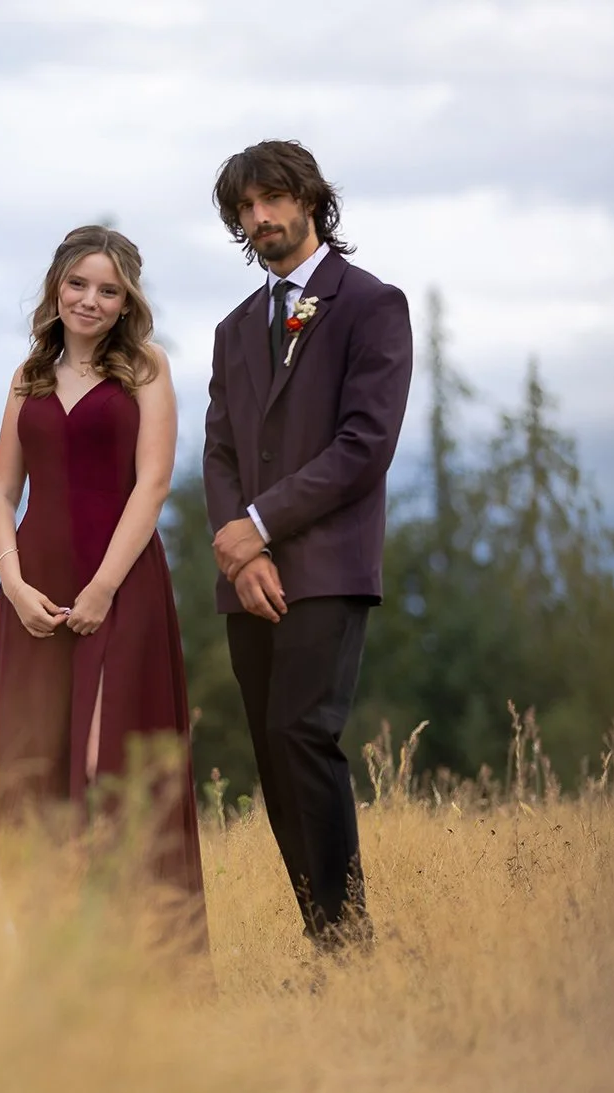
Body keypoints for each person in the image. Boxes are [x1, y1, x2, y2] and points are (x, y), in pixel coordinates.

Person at [203, 140, 414, 951]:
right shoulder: (233, 328)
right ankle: (327, 941)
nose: (260, 218)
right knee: (272, 754)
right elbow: (221, 450)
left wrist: (260, 525)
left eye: (273, 199)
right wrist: (241, 549)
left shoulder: (371, 304)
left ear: (311, 199)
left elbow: (365, 446)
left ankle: (351, 938)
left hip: (328, 566)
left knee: (302, 734)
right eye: (245, 208)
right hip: (246, 576)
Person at [0, 225, 208, 938]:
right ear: (57, 285)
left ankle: (132, 942)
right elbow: (0, 492)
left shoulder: (146, 367)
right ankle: (52, 948)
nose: (89, 299)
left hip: (121, 584)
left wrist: (105, 588)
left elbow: (153, 483)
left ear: (126, 302)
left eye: (108, 290)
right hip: (34, 591)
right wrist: (13, 585)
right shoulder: (29, 374)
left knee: (103, 761)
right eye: (78, 283)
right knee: (33, 768)